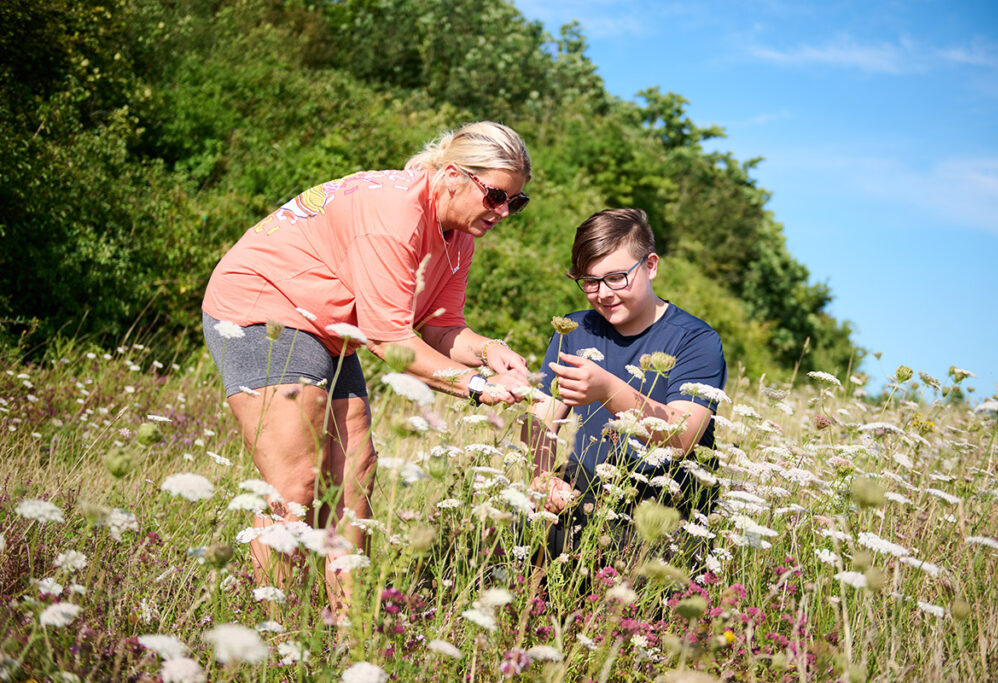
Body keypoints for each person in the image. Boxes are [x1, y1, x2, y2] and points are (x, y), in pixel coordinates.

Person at [202, 121, 532, 619]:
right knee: (298, 484)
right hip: (265, 307)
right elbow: (387, 338)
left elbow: (441, 327)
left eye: (516, 202)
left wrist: (489, 351)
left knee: (355, 470)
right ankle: (276, 630)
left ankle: (348, 627)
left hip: (332, 325)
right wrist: (476, 386)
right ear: (452, 176)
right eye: (496, 196)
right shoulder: (395, 213)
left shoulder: (459, 236)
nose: (504, 211)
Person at [522, 208, 726, 560]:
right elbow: (541, 417)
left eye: (616, 277)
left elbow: (682, 436)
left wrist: (608, 390)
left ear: (650, 266)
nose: (603, 293)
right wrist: (542, 477)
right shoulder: (574, 331)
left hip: (669, 509)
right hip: (587, 495)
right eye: (589, 281)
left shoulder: (695, 339)